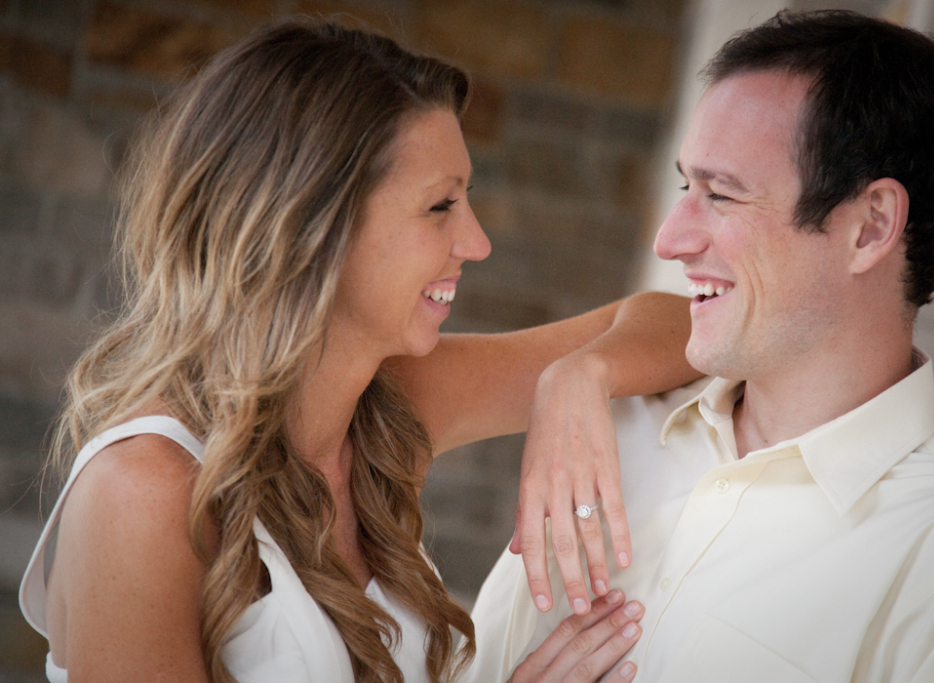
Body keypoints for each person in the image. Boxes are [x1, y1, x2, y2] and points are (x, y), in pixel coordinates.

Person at [18, 19, 703, 683]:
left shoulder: (388, 403)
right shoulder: (144, 490)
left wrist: (579, 377)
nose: (475, 241)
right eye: (441, 206)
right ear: (313, 225)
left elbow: (685, 325)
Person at [471, 10, 934, 682]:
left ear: (871, 226)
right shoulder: (611, 427)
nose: (670, 239)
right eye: (686, 186)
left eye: (722, 194)